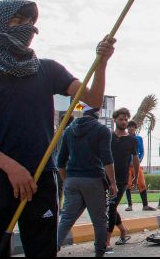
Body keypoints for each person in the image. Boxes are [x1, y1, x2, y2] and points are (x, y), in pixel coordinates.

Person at [0, 0, 116, 256]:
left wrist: (101, 63)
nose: (27, 28)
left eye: (30, 23)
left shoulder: (48, 69)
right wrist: (11, 167)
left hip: (41, 177)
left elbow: (94, 99)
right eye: (17, 22)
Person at [56, 106, 117, 257]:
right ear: (98, 113)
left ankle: (53, 248)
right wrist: (113, 183)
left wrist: (67, 181)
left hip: (72, 180)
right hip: (93, 179)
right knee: (99, 221)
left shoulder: (69, 130)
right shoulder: (102, 130)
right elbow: (107, 159)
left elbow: (60, 162)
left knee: (66, 220)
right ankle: (100, 252)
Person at [106, 108, 138, 248]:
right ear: (114, 120)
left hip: (122, 179)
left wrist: (136, 176)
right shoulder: (108, 137)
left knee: (111, 207)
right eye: (121, 119)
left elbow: (135, 159)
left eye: (126, 119)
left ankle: (106, 241)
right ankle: (123, 230)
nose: (124, 122)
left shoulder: (131, 140)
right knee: (109, 207)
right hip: (106, 177)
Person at [124, 121, 154, 212]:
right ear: (127, 128)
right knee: (128, 184)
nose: (131, 128)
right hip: (127, 166)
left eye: (133, 127)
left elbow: (141, 151)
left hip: (136, 165)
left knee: (141, 183)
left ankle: (145, 205)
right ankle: (129, 205)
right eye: (129, 127)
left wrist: (138, 160)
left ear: (135, 128)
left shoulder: (139, 138)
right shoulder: (124, 138)